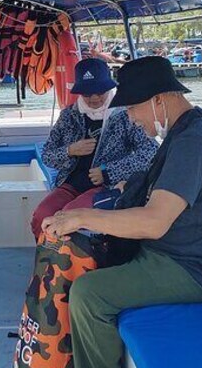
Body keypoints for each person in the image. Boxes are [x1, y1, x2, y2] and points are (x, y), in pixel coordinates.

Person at [42, 56, 202, 368]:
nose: (132, 118)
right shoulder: (184, 132)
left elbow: (155, 221)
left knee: (89, 294)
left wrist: (82, 218)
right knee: (87, 261)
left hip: (198, 268)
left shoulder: (193, 142)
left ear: (160, 100)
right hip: (176, 252)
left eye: (135, 107)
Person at [31, 58, 157, 238]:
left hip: (108, 186)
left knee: (70, 215)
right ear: (79, 92)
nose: (95, 98)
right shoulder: (69, 115)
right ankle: (49, 260)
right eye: (88, 94)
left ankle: (77, 263)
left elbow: (151, 152)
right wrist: (70, 150)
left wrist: (108, 172)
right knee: (41, 215)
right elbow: (48, 155)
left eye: (100, 92)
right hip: (71, 183)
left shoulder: (125, 114)